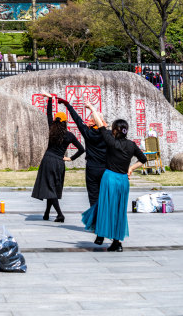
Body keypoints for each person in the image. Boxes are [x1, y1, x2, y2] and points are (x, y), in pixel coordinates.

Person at [82, 101, 147, 252]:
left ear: (116, 131)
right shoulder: (132, 145)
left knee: (104, 206)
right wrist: (131, 168)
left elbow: (100, 123)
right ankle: (117, 243)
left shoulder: (111, 141)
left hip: (110, 178)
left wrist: (92, 109)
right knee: (119, 211)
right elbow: (143, 160)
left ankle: (100, 235)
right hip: (123, 181)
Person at [57, 95, 108, 244]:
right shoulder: (107, 134)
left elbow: (76, 119)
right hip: (105, 169)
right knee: (103, 198)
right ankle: (103, 223)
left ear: (93, 123)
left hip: (92, 168)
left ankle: (95, 224)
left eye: (90, 119)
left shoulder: (88, 132)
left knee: (93, 197)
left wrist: (67, 105)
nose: (87, 121)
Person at [31, 94, 84, 222]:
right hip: (59, 162)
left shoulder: (51, 129)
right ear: (65, 122)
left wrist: (49, 99)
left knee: (50, 188)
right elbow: (82, 149)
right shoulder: (69, 135)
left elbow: (48, 114)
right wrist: (70, 159)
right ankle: (47, 213)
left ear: (55, 121)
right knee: (52, 187)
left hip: (48, 160)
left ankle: (60, 214)